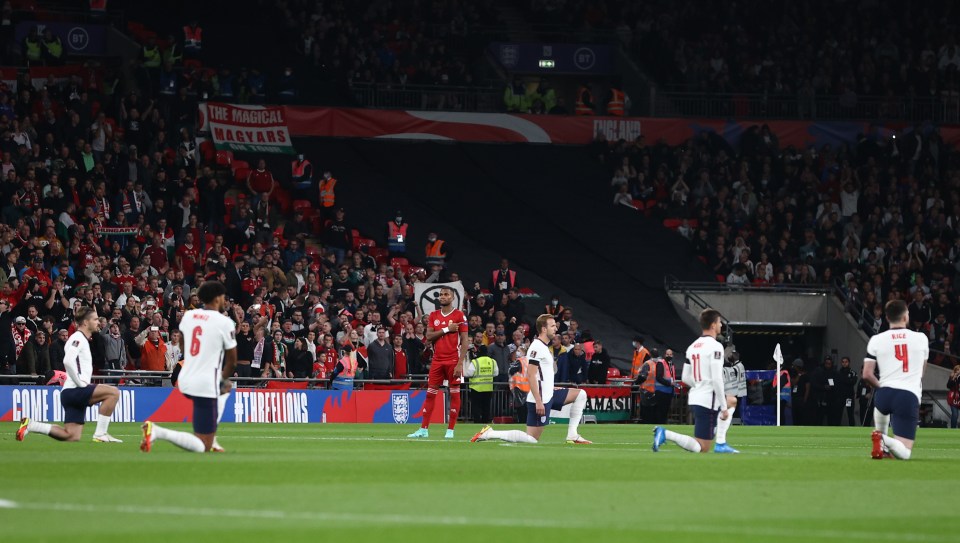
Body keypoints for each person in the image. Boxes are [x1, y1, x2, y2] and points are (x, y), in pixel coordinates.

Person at [141, 281, 238, 453]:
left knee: (223, 391)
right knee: (202, 446)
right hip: (205, 383)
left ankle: (212, 439)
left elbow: (184, 345)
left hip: (185, 378)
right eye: (223, 297)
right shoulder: (224, 322)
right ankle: (157, 431)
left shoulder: (189, 316)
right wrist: (221, 379)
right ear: (217, 299)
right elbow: (232, 361)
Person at [471, 314, 591, 445]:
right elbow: (531, 374)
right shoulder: (536, 347)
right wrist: (539, 401)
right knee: (532, 439)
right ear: (544, 329)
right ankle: (490, 433)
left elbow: (542, 374)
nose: (556, 328)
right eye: (552, 326)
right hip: (539, 399)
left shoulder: (544, 347)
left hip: (548, 393)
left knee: (581, 394)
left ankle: (573, 435)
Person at [16, 307, 123, 443]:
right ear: (85, 322)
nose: (98, 322)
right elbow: (67, 360)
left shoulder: (82, 338)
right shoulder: (77, 338)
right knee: (113, 393)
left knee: (71, 435)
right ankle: (101, 433)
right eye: (95, 319)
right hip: (75, 390)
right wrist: (80, 383)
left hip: (70, 393)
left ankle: (32, 425)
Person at [653, 309, 728, 454]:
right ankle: (665, 434)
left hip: (695, 397)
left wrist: (699, 385)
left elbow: (686, 377)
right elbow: (717, 378)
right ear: (713, 325)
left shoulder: (693, 347)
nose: (721, 325)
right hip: (708, 400)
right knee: (703, 447)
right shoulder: (716, 346)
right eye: (719, 322)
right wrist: (723, 407)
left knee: (701, 445)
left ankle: (666, 434)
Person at [862, 300, 928, 460]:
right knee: (905, 453)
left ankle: (882, 446)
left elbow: (867, 374)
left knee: (881, 406)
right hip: (907, 395)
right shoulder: (921, 338)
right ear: (906, 317)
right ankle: (882, 439)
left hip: (884, 395)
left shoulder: (876, 339)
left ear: (886, 318)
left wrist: (882, 387)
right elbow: (921, 372)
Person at [408, 286, 467, 439]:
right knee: (430, 394)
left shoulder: (460, 315)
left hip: (453, 359)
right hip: (437, 360)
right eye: (440, 295)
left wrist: (460, 363)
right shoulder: (434, 315)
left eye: (446, 294)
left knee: (454, 394)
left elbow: (466, 341)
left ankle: (450, 431)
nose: (442, 297)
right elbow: (429, 336)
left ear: (452, 298)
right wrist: (447, 329)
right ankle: (423, 429)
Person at [714, 345, 746, 453]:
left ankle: (719, 429)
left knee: (727, 408)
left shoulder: (734, 368)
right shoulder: (739, 366)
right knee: (730, 408)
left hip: (734, 391)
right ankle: (721, 430)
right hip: (737, 392)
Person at [464, 345, 498, 423]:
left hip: (476, 388)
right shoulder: (493, 361)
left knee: (476, 407)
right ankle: (485, 422)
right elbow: (496, 373)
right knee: (486, 407)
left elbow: (469, 373)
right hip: (488, 387)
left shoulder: (475, 362)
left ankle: (477, 422)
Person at [837, 356, 859, 426]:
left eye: (846, 362)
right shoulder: (838, 372)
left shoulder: (853, 373)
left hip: (848, 397)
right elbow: (836, 382)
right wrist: (847, 380)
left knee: (850, 413)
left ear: (849, 363)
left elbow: (852, 382)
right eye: (843, 362)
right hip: (840, 396)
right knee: (838, 413)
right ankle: (836, 429)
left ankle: (852, 429)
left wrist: (843, 380)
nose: (844, 363)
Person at [947, 365, 960, 429]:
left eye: (959, 370)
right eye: (956, 370)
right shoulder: (952, 377)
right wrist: (953, 378)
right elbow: (948, 386)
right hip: (953, 398)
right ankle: (953, 429)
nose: (958, 371)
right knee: (955, 415)